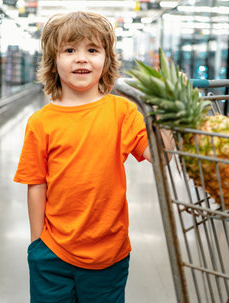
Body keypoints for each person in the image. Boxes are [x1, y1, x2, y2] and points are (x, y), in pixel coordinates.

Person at [14, 11, 160, 303]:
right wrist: (36, 244)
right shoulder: (41, 122)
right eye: (69, 50)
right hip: (52, 252)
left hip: (109, 253)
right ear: (53, 61)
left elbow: (157, 154)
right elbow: (36, 184)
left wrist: (168, 113)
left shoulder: (123, 112)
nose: (81, 59)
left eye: (92, 50)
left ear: (106, 60)